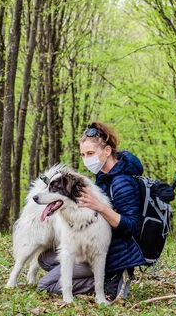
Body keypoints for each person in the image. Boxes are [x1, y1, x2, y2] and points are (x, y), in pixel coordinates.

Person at [38, 120, 147, 300]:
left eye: (90, 153)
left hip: (114, 252)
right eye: (83, 154)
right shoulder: (103, 177)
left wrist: (100, 207)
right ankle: (87, 276)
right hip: (93, 244)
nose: (86, 159)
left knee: (46, 285)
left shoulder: (122, 183)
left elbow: (132, 227)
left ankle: (107, 283)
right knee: (45, 259)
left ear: (107, 151)